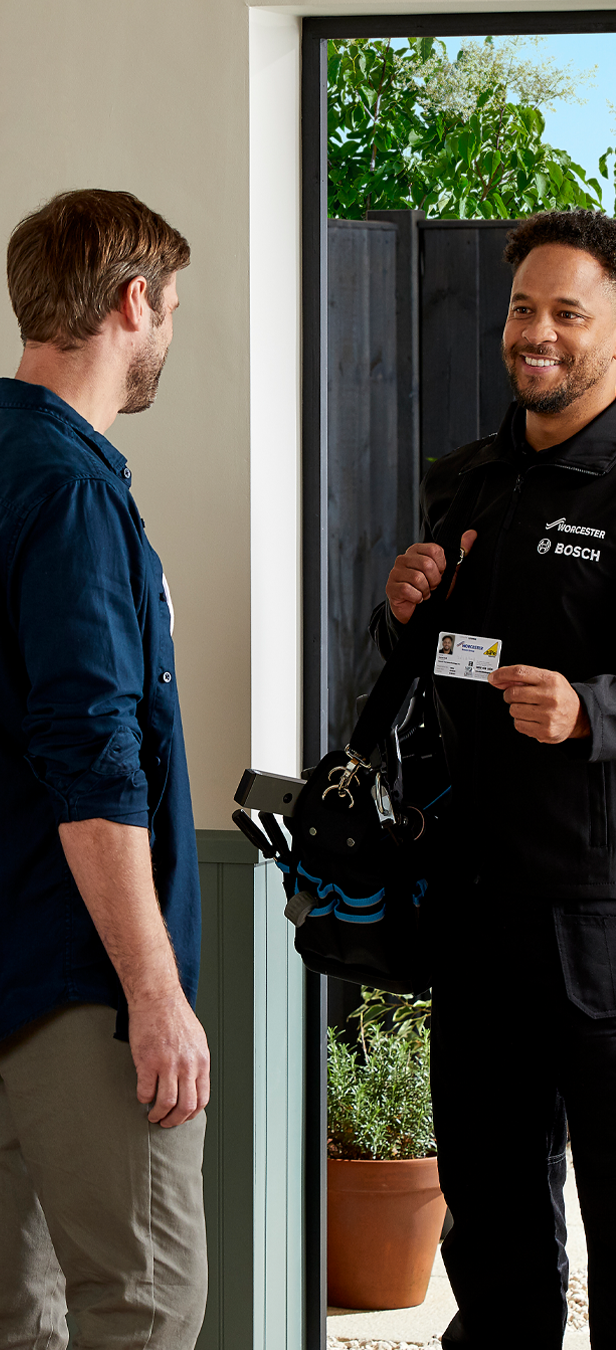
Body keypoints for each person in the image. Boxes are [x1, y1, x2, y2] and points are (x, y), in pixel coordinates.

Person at [372, 210, 616, 1349]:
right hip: (478, 905)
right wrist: (407, 609)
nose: (535, 333)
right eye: (522, 309)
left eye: (566, 314)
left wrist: (595, 709)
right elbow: (439, 669)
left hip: (611, 915)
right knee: (489, 1222)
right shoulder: (472, 484)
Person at [0, 189, 209, 1348]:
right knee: (144, 1306)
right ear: (134, 303)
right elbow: (91, 753)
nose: (168, 332)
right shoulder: (75, 487)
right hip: (75, 984)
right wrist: (155, 990)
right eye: (170, 308)